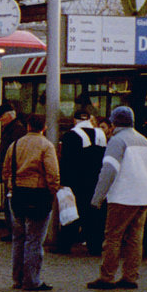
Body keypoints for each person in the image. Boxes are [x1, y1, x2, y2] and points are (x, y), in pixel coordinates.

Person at [87, 105, 147, 291]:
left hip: (122, 196)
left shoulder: (117, 141)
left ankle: (107, 276)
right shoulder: (144, 141)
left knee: (113, 237)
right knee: (135, 238)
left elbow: (109, 170)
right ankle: (130, 276)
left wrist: (97, 197)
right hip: (143, 197)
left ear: (113, 123)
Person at [2, 114, 60, 292]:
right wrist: (53, 191)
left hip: (18, 195)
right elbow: (52, 173)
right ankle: (32, 280)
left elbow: (6, 171)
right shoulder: (46, 146)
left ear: (28, 126)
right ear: (44, 127)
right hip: (38, 195)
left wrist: (11, 186)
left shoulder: (15, 144)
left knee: (18, 238)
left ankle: (17, 278)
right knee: (34, 240)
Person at [55, 108, 106, 255]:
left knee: (72, 213)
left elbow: (66, 161)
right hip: (96, 181)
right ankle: (95, 246)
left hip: (76, 181)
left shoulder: (70, 136)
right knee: (95, 215)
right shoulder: (101, 135)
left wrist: (62, 182)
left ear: (75, 120)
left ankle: (64, 245)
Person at [0, 103, 27, 241]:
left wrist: (7, 172)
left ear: (8, 115)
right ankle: (12, 231)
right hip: (9, 172)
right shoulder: (12, 129)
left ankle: (15, 231)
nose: (0, 120)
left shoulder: (16, 130)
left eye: (1, 117)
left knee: (11, 203)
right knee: (9, 203)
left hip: (13, 173)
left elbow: (12, 154)